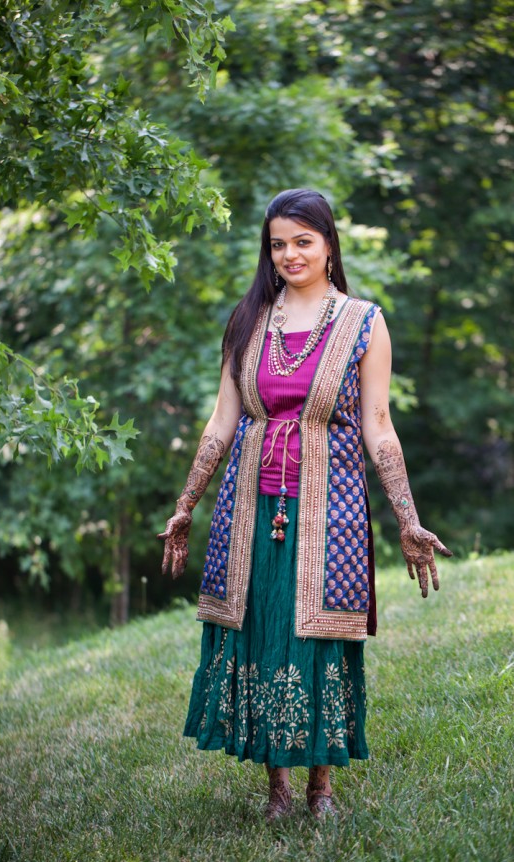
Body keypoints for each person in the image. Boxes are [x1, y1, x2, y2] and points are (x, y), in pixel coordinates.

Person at [158, 188, 452, 822]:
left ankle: (321, 786)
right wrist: (186, 503)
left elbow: (379, 425)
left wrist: (408, 519)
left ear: (328, 245)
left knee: (317, 636)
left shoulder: (364, 322)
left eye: (302, 241)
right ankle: (277, 787)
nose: (288, 254)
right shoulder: (247, 322)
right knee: (263, 630)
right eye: (277, 244)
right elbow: (220, 422)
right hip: (252, 508)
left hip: (332, 506)